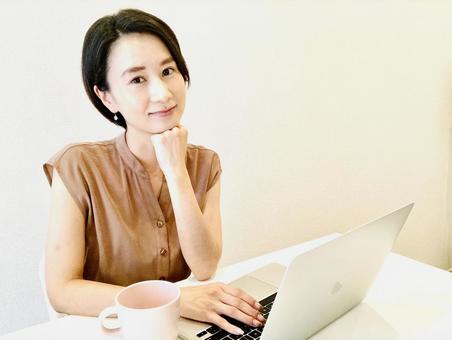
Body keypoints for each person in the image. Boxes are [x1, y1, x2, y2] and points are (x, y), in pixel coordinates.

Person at [43, 8, 265, 336]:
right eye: (137, 79)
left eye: (167, 70)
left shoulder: (206, 164)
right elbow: (61, 291)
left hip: (182, 329)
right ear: (106, 96)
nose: (162, 93)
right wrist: (174, 300)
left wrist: (176, 171)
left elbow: (204, 268)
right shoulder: (78, 166)